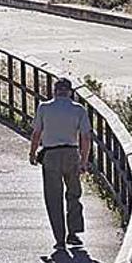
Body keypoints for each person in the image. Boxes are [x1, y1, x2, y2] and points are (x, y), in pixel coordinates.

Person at [29, 78, 93, 251]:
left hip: (50, 155)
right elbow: (86, 137)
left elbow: (36, 133)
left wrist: (32, 153)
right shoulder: (78, 109)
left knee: (53, 198)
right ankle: (73, 232)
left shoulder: (44, 107)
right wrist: (84, 161)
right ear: (70, 92)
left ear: (54, 91)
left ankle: (60, 239)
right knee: (74, 193)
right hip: (71, 153)